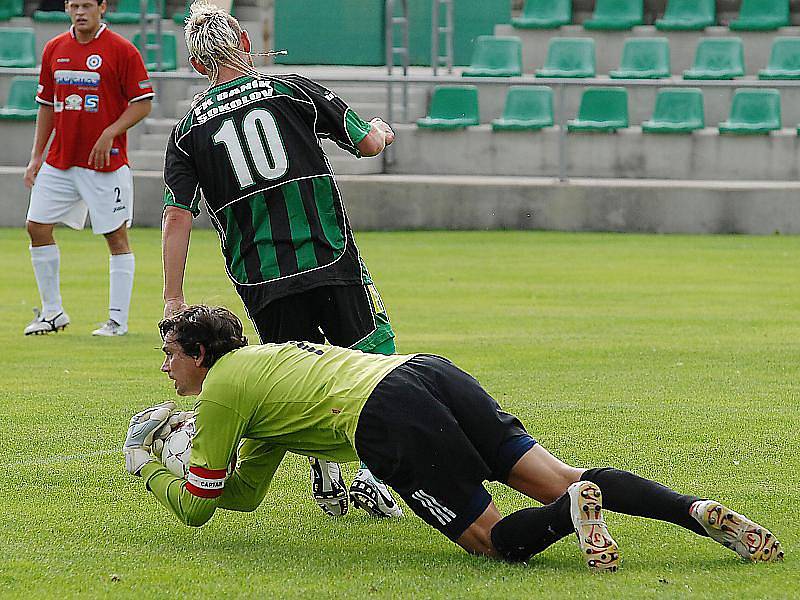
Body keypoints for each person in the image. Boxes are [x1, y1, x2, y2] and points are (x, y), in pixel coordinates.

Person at [124, 305, 783, 570]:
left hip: (387, 417)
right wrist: (216, 464)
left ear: (202, 354)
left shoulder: (220, 391)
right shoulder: (261, 373)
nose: (166, 368)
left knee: (493, 543)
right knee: (561, 474)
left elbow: (201, 508)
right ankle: (694, 513)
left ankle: (567, 517)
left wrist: (146, 464)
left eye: (172, 356)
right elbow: (243, 493)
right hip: (427, 372)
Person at [161, 2, 398, 516]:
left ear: (197, 66)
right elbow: (367, 144)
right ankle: (374, 476)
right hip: (326, 252)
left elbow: (177, 217)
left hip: (259, 273)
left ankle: (327, 474)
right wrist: (379, 128)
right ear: (244, 42)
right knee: (377, 354)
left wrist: (173, 296)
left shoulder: (186, 133)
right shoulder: (292, 89)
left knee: (295, 377)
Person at [23, 0, 153, 337]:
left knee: (116, 236)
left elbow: (143, 103)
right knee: (36, 227)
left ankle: (117, 321)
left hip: (104, 164)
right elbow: (47, 106)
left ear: (103, 7)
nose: (80, 12)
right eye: (74, 5)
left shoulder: (122, 50)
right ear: (67, 8)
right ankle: (53, 313)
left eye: (87, 5)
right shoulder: (54, 48)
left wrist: (110, 131)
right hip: (61, 160)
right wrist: (37, 155)